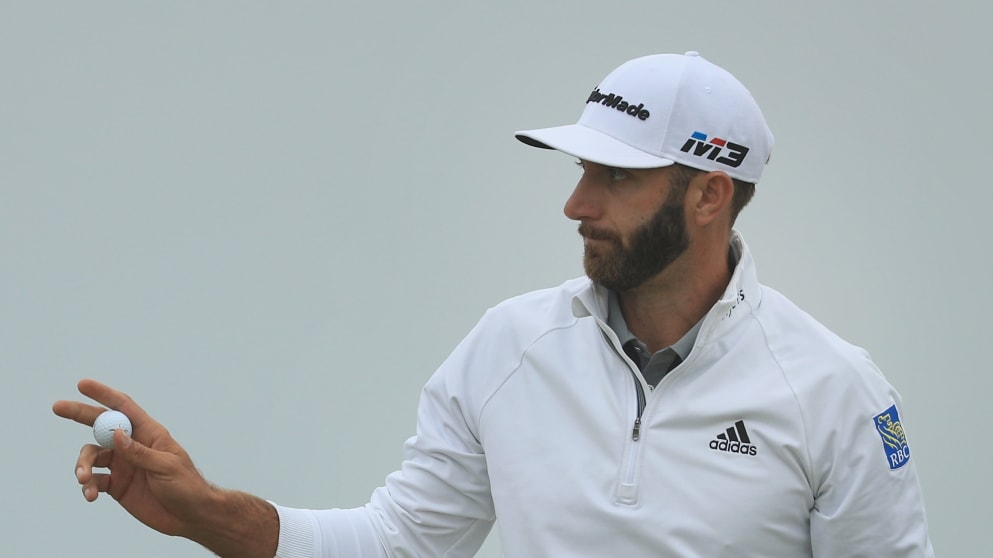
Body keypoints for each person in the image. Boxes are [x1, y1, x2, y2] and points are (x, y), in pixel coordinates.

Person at [53, 52, 934, 557]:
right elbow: (401, 543)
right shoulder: (509, 345)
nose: (575, 203)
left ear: (708, 195)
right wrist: (212, 513)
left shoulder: (834, 391)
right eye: (579, 170)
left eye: (614, 176)